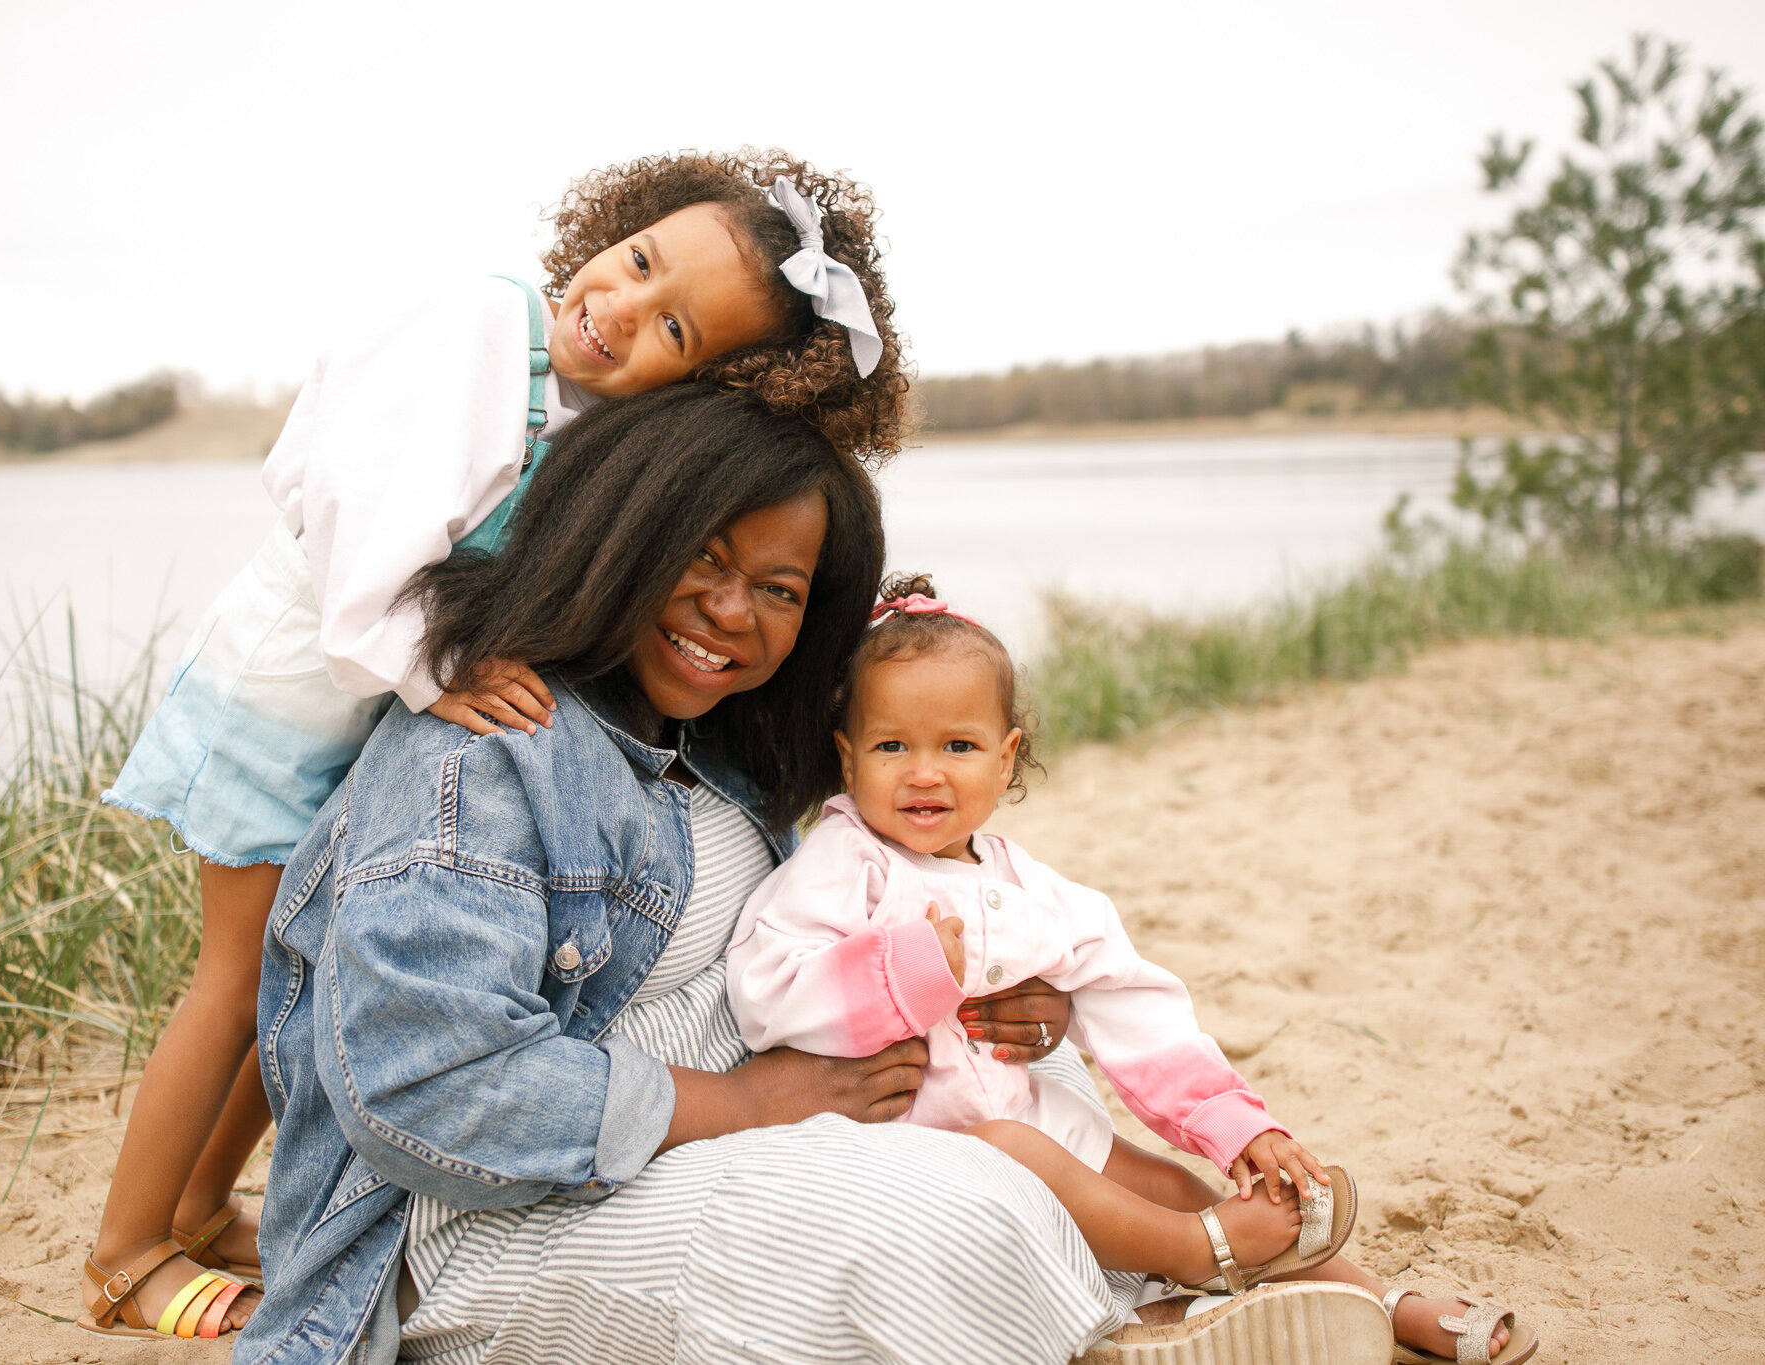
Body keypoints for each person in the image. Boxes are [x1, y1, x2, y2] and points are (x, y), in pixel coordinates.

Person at [222, 387, 1404, 1365]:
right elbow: (427, 1089)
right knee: (954, 1209)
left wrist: (1011, 1013)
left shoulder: (720, 753)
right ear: (617, 537)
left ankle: (1157, 1317)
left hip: (711, 1156)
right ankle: (1122, 1327)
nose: (732, 612)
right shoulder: (484, 756)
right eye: (702, 558)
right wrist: (743, 1104)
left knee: (1032, 1121)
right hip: (487, 1226)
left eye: (781, 591)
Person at [81, 150, 911, 1337]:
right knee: (234, 977)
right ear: (616, 225)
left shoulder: (585, 409)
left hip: (373, 677)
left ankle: (207, 1201)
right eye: (635, 262)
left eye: (672, 327)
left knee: (304, 974)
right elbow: (359, 541)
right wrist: (446, 674)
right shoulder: (473, 328)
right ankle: (124, 1252)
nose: (620, 308)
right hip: (297, 678)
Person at [725, 575, 1539, 1365]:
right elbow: (766, 986)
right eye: (892, 745)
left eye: (959, 746)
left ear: (1007, 759)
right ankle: (1196, 1259)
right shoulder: (846, 860)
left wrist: (1238, 1124)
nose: (925, 770)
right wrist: (906, 967)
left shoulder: (1029, 888)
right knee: (1017, 1147)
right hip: (911, 1149)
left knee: (1168, 1180)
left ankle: (1378, 1302)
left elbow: (1133, 1004)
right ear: (848, 754)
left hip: (1024, 1118)